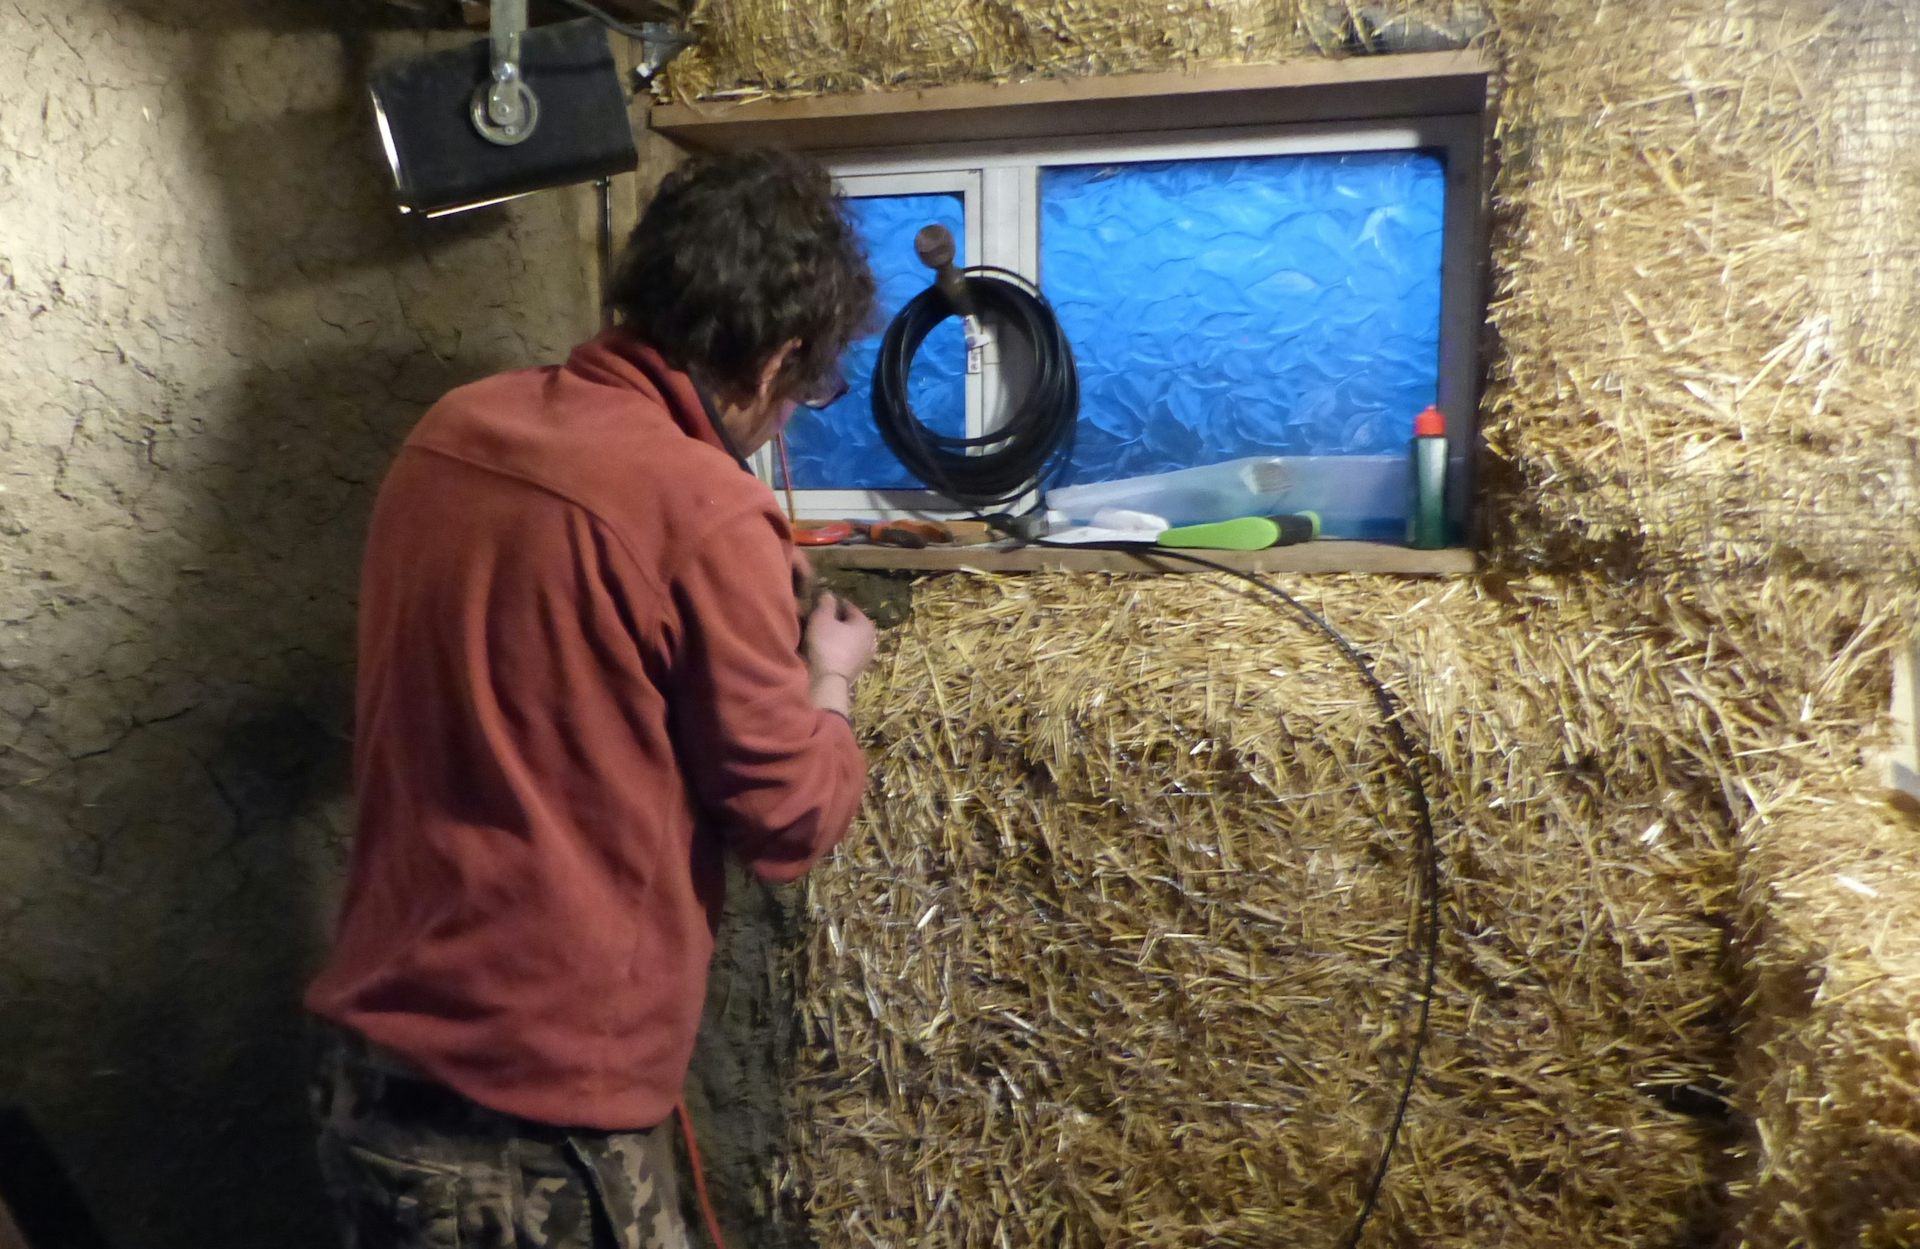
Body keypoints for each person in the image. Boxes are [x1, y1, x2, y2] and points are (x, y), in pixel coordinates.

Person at [304, 149, 879, 1249]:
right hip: (535, 1119)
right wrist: (832, 677)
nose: (791, 414)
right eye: (810, 386)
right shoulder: (705, 508)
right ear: (777, 357)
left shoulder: (453, 432)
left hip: (372, 1075)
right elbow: (788, 818)